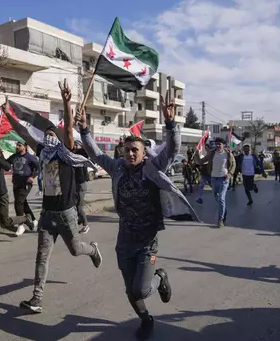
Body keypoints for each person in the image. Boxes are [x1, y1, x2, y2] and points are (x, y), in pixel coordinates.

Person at [78, 93, 200, 340]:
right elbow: (96, 155)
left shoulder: (152, 168)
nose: (130, 154)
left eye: (135, 150)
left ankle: (159, 276)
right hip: (125, 240)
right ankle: (146, 321)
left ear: (144, 153)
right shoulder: (118, 168)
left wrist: (170, 123)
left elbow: (173, 148)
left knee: (142, 290)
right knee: (130, 291)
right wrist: (83, 130)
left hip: (147, 242)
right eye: (127, 150)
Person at [2, 79, 102, 314]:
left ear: (58, 139)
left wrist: (67, 103)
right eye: (45, 134)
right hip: (47, 215)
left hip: (66, 215)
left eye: (51, 134)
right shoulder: (42, 152)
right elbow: (23, 132)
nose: (48, 137)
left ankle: (93, 251)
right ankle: (36, 299)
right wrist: (8, 114)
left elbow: (68, 129)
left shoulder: (65, 152)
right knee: (41, 257)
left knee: (76, 249)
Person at [195, 137, 236, 228]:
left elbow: (233, 165)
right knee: (217, 198)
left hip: (224, 179)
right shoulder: (212, 153)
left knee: (221, 198)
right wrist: (197, 153)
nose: (217, 146)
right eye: (216, 144)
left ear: (223, 145)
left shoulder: (228, 153)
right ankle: (224, 211)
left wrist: (229, 175)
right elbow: (201, 161)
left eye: (219, 144)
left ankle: (220, 220)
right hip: (213, 179)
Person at [7, 141, 39, 236]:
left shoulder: (30, 157)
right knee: (23, 202)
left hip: (26, 184)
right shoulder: (14, 156)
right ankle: (33, 220)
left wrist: (32, 176)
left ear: (25, 146)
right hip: (16, 183)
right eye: (16, 145)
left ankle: (21, 225)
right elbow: (6, 163)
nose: (17, 147)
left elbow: (38, 168)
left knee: (18, 202)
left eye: (19, 145)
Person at [73, 139, 92, 234]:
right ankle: (79, 220)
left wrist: (84, 145)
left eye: (77, 145)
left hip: (81, 183)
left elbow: (86, 151)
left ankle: (86, 225)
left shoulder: (82, 154)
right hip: (75, 183)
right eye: (74, 144)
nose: (75, 146)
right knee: (75, 205)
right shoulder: (74, 154)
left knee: (79, 206)